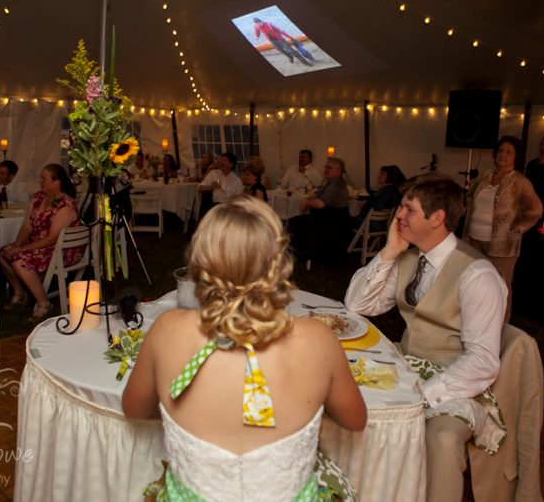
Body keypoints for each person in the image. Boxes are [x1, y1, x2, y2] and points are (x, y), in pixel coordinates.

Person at [122, 195, 366, 500]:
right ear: (277, 262)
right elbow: (355, 420)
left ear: (201, 263)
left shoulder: (167, 330)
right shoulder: (317, 339)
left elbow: (134, 410)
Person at [344, 173, 507, 502]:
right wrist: (389, 251)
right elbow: (358, 305)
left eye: (408, 210)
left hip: (458, 384)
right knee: (348, 399)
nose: (398, 216)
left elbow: (482, 361)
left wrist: (422, 395)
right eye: (400, 208)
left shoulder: (478, 275)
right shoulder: (409, 255)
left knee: (443, 439)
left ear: (437, 218)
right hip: (407, 369)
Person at [465, 136, 543, 322]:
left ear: (517, 157)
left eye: (509, 152)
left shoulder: (519, 182)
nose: (503, 155)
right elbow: (469, 196)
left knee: (500, 287)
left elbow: (536, 209)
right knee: (473, 283)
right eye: (500, 150)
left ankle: (499, 329)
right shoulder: (485, 176)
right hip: (474, 240)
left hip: (502, 246)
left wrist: (519, 228)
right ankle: (474, 323)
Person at [0, 164, 82, 318]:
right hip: (40, 245)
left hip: (61, 249)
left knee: (20, 261)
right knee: (4, 253)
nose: (40, 181)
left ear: (57, 182)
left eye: (44, 178)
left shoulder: (65, 205)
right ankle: (19, 292)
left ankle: (44, 303)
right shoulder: (38, 198)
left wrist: (22, 249)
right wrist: (17, 245)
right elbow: (27, 226)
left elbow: (52, 238)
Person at [289, 157, 350, 266]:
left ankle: (305, 255)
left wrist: (307, 203)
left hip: (333, 223)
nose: (326, 169)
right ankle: (303, 254)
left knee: (295, 222)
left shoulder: (336, 184)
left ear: (339, 171)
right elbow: (317, 193)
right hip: (328, 220)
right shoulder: (331, 182)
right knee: (298, 220)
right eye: (326, 166)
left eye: (330, 167)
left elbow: (321, 204)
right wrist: (307, 200)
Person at [355, 165, 405, 230]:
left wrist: (365, 202)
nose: (379, 176)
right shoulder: (392, 189)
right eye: (380, 173)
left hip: (373, 224)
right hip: (381, 223)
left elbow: (378, 205)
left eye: (383, 174)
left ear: (390, 177)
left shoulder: (387, 191)